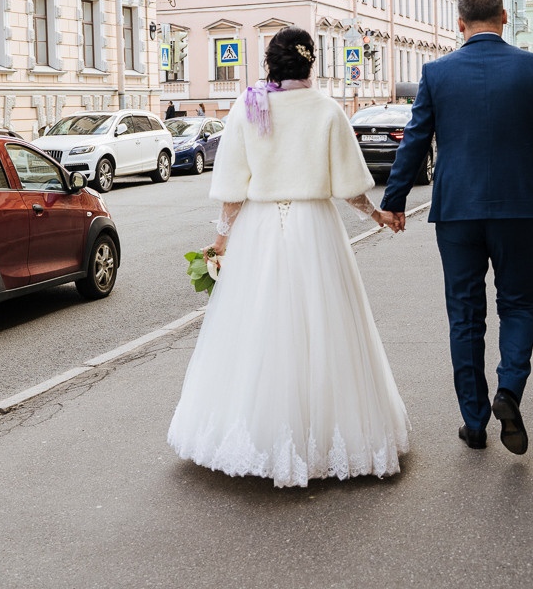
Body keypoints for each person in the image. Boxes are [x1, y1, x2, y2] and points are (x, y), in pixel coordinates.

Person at [168, 26, 410, 487]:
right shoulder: (327, 109)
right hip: (315, 228)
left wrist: (221, 241)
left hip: (259, 230)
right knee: (327, 325)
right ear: (310, 64)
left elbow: (232, 188)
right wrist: (376, 214)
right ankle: (332, 435)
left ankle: (255, 434)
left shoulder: (247, 106)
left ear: (269, 64)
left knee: (255, 329)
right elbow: (348, 185)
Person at [380, 0, 533, 456]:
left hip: (456, 210)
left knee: (465, 314)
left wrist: (393, 201)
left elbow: (414, 142)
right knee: (517, 305)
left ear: (459, 23)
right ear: (504, 18)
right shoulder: (532, 68)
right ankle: (509, 391)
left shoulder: (436, 73)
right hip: (518, 205)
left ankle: (474, 423)